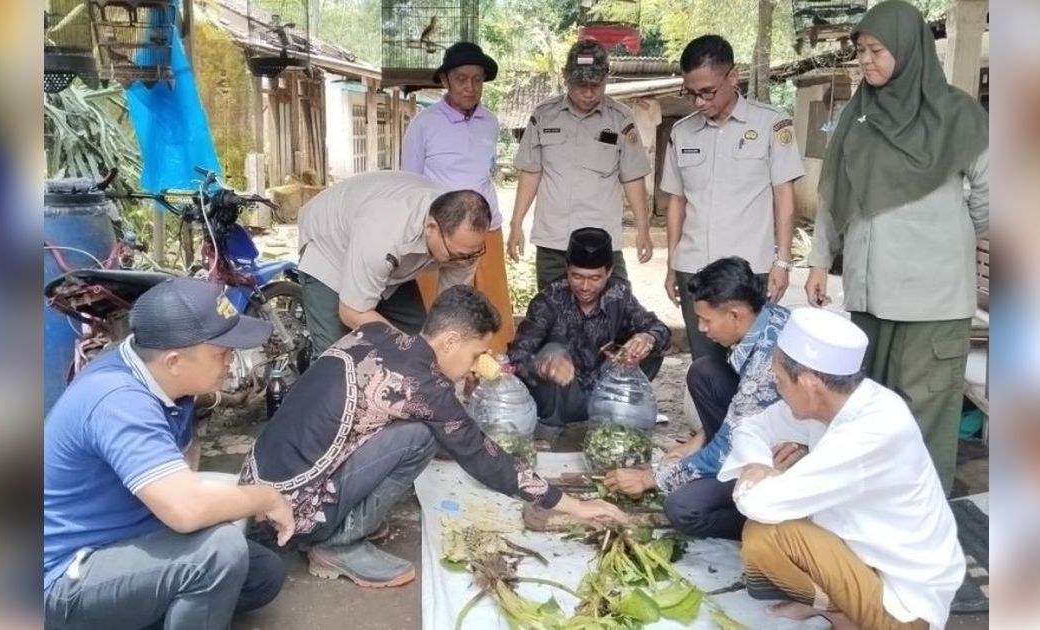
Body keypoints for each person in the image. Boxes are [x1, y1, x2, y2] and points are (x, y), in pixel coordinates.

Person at [240, 285, 627, 588]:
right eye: (476, 354)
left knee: (414, 429)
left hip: (257, 484)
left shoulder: (377, 333)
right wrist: (575, 507)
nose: (477, 365)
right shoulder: (422, 386)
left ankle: (347, 518)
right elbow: (485, 458)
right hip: (293, 513)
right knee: (418, 440)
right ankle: (336, 544)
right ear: (451, 341)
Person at [803, 0, 989, 493]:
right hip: (870, 298)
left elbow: (993, 193)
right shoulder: (857, 117)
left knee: (923, 417)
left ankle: (921, 536)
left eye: (876, 50)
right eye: (860, 50)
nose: (865, 60)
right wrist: (820, 259)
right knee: (867, 411)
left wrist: (946, 235)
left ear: (909, 49)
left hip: (932, 302)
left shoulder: (957, 114)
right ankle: (870, 522)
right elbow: (833, 195)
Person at [44, 278, 295, 629]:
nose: (230, 362)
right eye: (221, 352)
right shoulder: (116, 399)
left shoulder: (166, 378)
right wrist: (266, 498)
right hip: (65, 573)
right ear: (175, 361)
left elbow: (183, 473)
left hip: (126, 534)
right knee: (219, 553)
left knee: (261, 574)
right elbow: (185, 510)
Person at [719, 308, 964, 630]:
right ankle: (833, 608)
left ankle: (839, 614)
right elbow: (750, 428)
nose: (778, 389)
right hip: (862, 560)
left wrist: (763, 480)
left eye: (779, 380)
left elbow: (759, 503)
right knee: (770, 526)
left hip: (904, 602)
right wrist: (759, 464)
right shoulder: (837, 402)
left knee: (766, 534)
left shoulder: (873, 429)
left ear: (808, 383)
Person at [602, 257, 797, 540]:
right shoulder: (767, 317)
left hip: (782, 456)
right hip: (763, 429)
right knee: (704, 372)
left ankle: (766, 523)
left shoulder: (766, 366)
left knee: (682, 507)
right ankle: (719, 469)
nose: (702, 328)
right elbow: (742, 412)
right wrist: (699, 441)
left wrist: (650, 478)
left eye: (706, 320)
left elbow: (729, 445)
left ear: (734, 315)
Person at [660, 34, 805, 361]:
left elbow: (783, 195)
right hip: (694, 268)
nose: (699, 102)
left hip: (749, 272)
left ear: (733, 76)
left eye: (708, 92)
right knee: (704, 364)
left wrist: (782, 262)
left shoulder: (770, 123)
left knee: (753, 364)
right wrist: (672, 265)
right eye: (691, 93)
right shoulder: (682, 132)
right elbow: (677, 203)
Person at [507, 38, 654, 290]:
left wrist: (643, 228)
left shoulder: (620, 118)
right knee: (553, 317)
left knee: (615, 314)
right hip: (554, 240)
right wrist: (516, 223)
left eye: (596, 85)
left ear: (606, 78)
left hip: (602, 243)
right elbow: (531, 172)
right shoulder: (544, 115)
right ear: (566, 78)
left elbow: (632, 176)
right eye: (581, 85)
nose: (589, 92)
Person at [401, 41, 516, 354]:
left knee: (491, 303)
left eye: (477, 80)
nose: (470, 87)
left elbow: (486, 171)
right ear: (445, 81)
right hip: (441, 232)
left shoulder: (490, 122)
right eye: (462, 79)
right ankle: (435, 363)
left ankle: (495, 367)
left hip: (486, 228)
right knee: (437, 307)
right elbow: (409, 181)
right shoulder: (424, 124)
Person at [296, 171, 490, 356]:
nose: (462, 262)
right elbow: (352, 311)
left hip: (385, 263)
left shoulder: (464, 247)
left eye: (470, 255)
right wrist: (411, 348)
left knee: (419, 334)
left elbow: (450, 307)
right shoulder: (383, 233)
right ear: (432, 227)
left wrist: (459, 350)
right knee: (335, 355)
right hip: (330, 247)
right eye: (455, 255)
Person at [507, 227, 670, 438]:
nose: (585, 286)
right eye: (577, 276)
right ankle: (556, 426)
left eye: (595, 278)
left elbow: (660, 329)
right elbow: (515, 356)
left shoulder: (618, 296)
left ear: (609, 273)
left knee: (651, 348)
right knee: (553, 349)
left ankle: (611, 414)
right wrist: (543, 365)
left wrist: (646, 338)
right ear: (566, 269)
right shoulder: (548, 300)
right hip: (563, 397)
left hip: (605, 391)